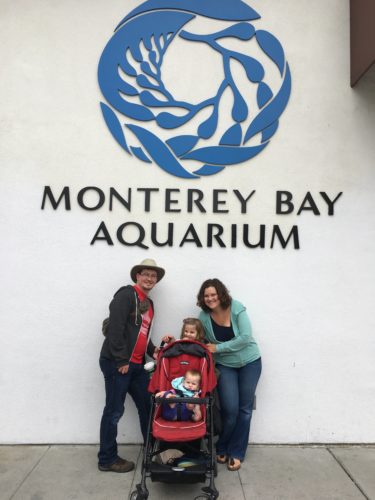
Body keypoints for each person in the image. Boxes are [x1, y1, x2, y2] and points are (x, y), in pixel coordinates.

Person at [98, 258, 165, 473]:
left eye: (153, 276)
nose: (149, 278)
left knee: (148, 406)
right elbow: (115, 328)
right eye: (145, 274)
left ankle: (152, 451)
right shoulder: (126, 295)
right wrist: (121, 360)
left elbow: (142, 334)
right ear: (137, 275)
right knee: (114, 411)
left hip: (137, 366)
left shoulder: (149, 303)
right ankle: (107, 459)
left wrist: (153, 350)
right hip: (119, 364)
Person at [197, 278, 261, 472]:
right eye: (206, 295)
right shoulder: (203, 317)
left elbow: (245, 337)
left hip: (250, 362)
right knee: (230, 410)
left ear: (221, 294)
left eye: (213, 294)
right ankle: (222, 445)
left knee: (245, 410)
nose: (210, 298)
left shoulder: (236, 307)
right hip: (226, 365)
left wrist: (218, 347)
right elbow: (200, 339)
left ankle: (237, 452)